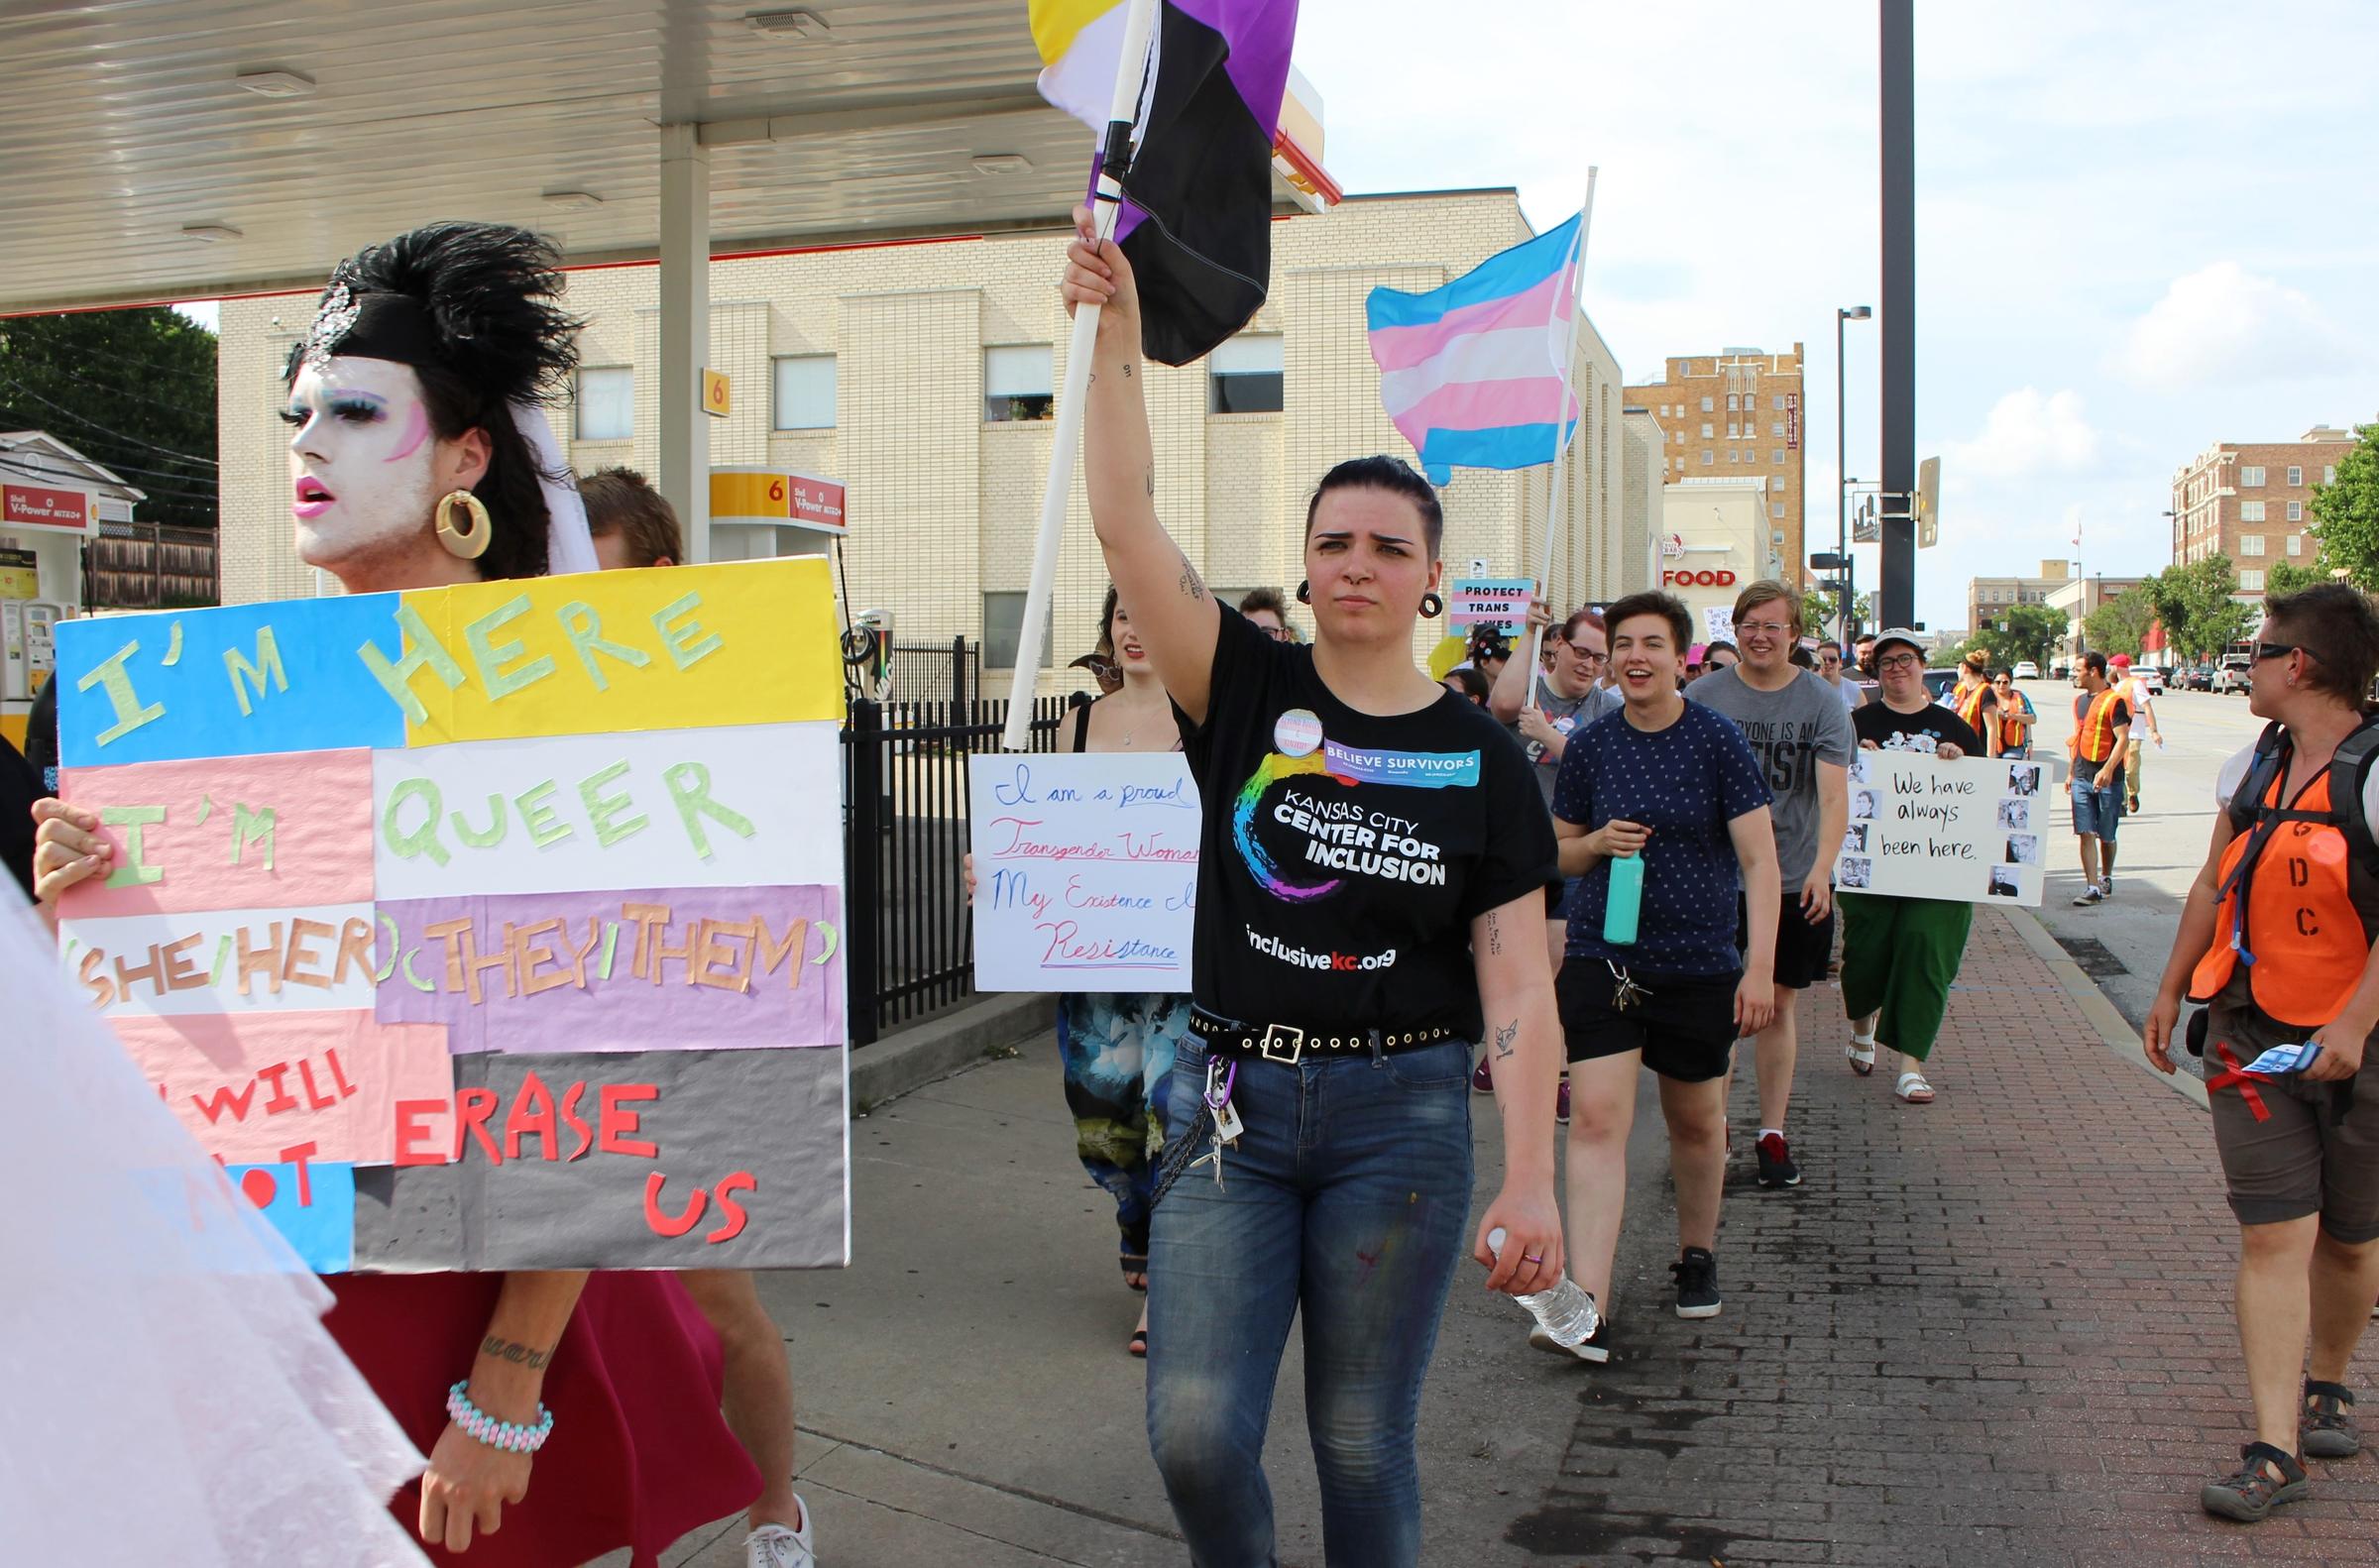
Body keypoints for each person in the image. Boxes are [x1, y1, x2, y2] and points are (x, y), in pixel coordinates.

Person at [30, 223, 762, 1568]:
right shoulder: (231, 699)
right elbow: (208, 1031)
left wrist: (509, 1382)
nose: (308, 443)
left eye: (357, 412)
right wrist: (86, 905)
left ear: (465, 457)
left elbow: (616, 1058)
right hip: (295, 1286)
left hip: (491, 1305)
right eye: (298, 412)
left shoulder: (564, 701)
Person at [1065, 208, 1566, 1568]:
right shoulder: (1241, 686)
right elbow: (1123, 521)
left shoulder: (1482, 760)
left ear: (1431, 581)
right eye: (1335, 541)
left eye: (1389, 547)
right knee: (1195, 1431)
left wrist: (1533, 1174)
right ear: (1307, 560)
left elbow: (1517, 977)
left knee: (1359, 1439)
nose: (1358, 564)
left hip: (1401, 1117)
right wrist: (1116, 334)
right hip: (1229, 1107)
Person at [579, 465, 814, 1568]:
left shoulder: (727, 703)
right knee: (568, 1326)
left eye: (593, 574)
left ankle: (778, 1508)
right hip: (547, 1044)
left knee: (718, 1305)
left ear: (662, 576)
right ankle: (626, 1527)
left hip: (690, 1039)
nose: (563, 601)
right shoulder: (522, 694)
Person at [2143, 584, 2379, 1523]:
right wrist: (2170, 989)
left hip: (2364, 1039)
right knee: (2276, 1233)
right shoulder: (2251, 768)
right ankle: (2276, 1449)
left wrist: (2356, 1025)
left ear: (2304, 666)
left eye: (2263, 648)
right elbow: (2211, 882)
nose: (2250, 663)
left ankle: (2330, 1377)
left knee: (2352, 1238)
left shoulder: (2373, 771)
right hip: (2250, 1035)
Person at [1553, 591, 1779, 1345]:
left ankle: (1697, 1253)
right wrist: (1595, 847)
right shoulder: (1590, 746)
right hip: (1602, 957)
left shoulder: (1717, 741)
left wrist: (1759, 970)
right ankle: (1587, 1306)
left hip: (1698, 964)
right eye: (1623, 644)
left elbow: (1760, 861)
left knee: (1697, 1122)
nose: (1634, 657)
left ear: (1679, 656)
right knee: (1595, 1122)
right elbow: (1556, 851)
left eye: (1651, 643)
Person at [1059, 586, 1192, 1356]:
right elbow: (1045, 833)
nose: (1135, 631)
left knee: (1173, 1110)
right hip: (1095, 965)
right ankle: (1134, 1218)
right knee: (1102, 1122)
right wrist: (998, 868)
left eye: (1148, 615)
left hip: (1180, 963)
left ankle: (1168, 1288)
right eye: (1120, 616)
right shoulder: (1078, 725)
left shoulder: (1205, 721)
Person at [1687, 581, 1854, 1191]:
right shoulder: (1703, 696)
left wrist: (1822, 867)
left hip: (1791, 878)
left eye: (1773, 626)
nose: (1760, 635)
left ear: (1794, 634)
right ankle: (1713, 1130)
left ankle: (1772, 1132)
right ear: (1735, 628)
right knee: (1719, 1010)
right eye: (1749, 623)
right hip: (1714, 881)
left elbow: (1833, 796)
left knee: (1779, 1005)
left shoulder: (1820, 701)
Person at [1841, 627, 1982, 1105]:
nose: (1897, 668)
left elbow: (1984, 796)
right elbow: (1830, 786)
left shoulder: (1956, 727)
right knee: (1865, 953)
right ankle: (1862, 1026)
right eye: (1886, 663)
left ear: (1923, 666)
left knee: (1926, 952)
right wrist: (1858, 762)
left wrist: (1960, 761)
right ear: (1875, 673)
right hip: (1872, 867)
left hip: (1938, 870)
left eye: (1905, 659)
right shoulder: (1856, 724)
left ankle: (1910, 1065)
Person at [1489, 601, 1619, 977]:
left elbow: (1601, 773)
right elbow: (1502, 705)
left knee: (1555, 965)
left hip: (1569, 854)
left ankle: (1554, 1036)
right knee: (1508, 964)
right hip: (1513, 849)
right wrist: (1530, 631)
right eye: (1581, 652)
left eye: (1599, 659)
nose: (1588, 665)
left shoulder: (1607, 709)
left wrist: (1547, 735)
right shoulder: (1529, 692)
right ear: (1559, 644)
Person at [2069, 651, 2133, 907]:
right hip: (2082, 777)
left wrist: (2107, 770)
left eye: (2077, 670)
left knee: (2106, 834)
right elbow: (2077, 737)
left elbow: (2123, 739)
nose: (2074, 675)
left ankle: (2106, 876)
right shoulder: (2078, 702)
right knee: (2085, 832)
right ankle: (2092, 886)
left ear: (2093, 671)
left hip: (2109, 780)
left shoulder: (2114, 701)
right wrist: (2070, 773)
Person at [2108, 652, 2163, 813]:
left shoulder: (2135, 684)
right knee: (2117, 768)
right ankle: (2122, 803)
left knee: (2131, 768)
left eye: (2111, 665)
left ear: (2117, 667)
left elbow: (2147, 707)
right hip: (2119, 732)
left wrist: (2154, 731)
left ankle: (2133, 793)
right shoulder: (2116, 686)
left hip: (2134, 732)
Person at [1817, 641, 1863, 712]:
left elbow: (1865, 718)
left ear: (1840, 662)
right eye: (1823, 659)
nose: (1827, 662)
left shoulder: (1854, 689)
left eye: (1832, 660)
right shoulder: (1810, 687)